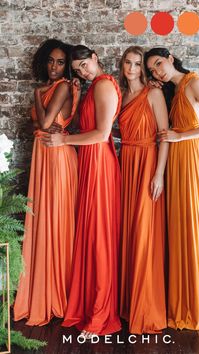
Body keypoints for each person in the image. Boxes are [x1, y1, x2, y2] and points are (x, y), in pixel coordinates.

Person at [42, 45, 122, 338]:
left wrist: (64, 141)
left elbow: (102, 134)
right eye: (77, 69)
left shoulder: (103, 85)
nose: (83, 71)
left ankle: (100, 316)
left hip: (100, 164)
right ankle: (90, 306)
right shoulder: (93, 87)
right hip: (90, 162)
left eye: (85, 65)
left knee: (98, 238)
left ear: (95, 59)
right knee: (89, 236)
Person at [144, 47, 199, 330]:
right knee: (178, 226)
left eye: (159, 63)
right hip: (176, 162)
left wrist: (180, 137)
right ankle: (181, 299)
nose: (157, 71)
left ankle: (196, 303)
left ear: (171, 58)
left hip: (189, 161)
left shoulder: (193, 82)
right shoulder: (173, 91)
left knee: (189, 224)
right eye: (152, 70)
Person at [14, 39, 79, 326]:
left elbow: (43, 124)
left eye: (60, 62)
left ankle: (59, 290)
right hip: (45, 154)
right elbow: (35, 126)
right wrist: (40, 115)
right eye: (51, 61)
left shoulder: (62, 86)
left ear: (67, 66)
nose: (54, 67)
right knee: (44, 221)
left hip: (56, 157)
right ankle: (45, 285)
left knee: (56, 221)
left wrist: (38, 98)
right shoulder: (49, 88)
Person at [117, 46, 169, 334]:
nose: (132, 68)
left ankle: (145, 305)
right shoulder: (121, 95)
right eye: (129, 62)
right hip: (126, 165)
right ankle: (128, 305)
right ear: (122, 64)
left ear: (144, 69)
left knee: (144, 233)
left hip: (148, 164)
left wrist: (159, 174)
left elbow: (164, 137)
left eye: (138, 64)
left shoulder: (154, 93)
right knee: (129, 232)